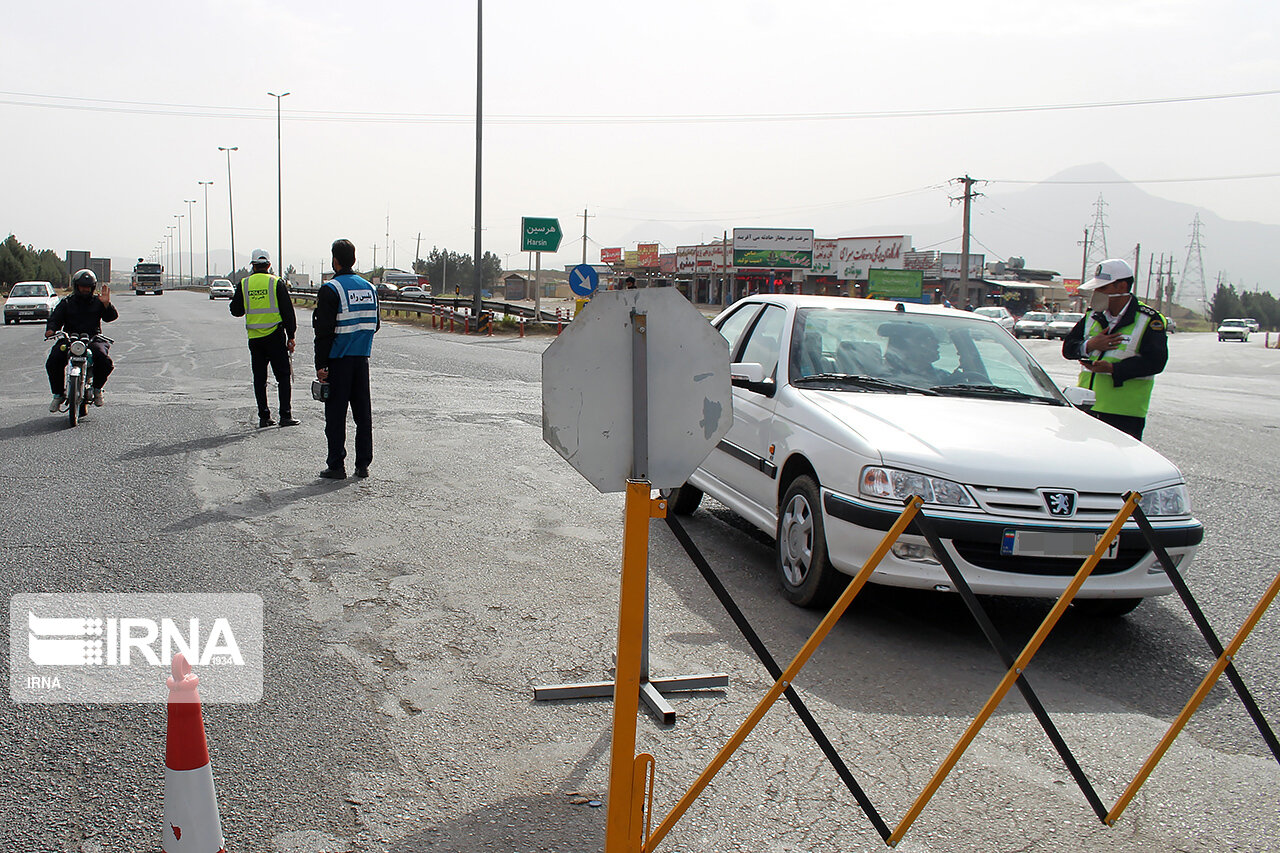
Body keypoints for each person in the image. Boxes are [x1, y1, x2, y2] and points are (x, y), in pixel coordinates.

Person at [1062, 258, 1167, 441]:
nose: (1097, 293)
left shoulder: (1149, 319)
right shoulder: (1093, 316)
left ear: (1121, 287)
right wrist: (1090, 345)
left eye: (1102, 288)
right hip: (1085, 406)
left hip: (1124, 413)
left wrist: (1113, 369)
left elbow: (1155, 362)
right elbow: (1068, 349)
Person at [314, 238, 379, 480]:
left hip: (338, 360)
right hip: (362, 359)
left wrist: (321, 365)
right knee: (363, 415)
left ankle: (336, 465)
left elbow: (324, 332)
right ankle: (362, 465)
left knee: (336, 415)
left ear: (335, 260)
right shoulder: (369, 289)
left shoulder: (331, 289)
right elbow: (376, 325)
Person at [230, 249, 298, 428]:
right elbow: (287, 312)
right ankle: (285, 415)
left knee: (260, 379)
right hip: (275, 336)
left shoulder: (244, 284)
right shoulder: (276, 282)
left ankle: (264, 417)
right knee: (283, 376)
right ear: (269, 265)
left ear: (252, 265)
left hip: (255, 339)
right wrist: (291, 336)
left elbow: (235, 310)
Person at [45, 269, 118, 410]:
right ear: (76, 286)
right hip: (70, 339)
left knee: (104, 360)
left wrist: (107, 305)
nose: (85, 289)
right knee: (53, 360)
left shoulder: (98, 302)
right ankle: (58, 394)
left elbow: (111, 317)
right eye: (82, 286)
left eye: (88, 287)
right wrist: (51, 330)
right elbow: (55, 319)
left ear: (93, 287)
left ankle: (97, 390)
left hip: (93, 338)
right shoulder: (66, 302)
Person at [879, 322, 952, 385]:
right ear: (901, 346)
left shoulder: (945, 379)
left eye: (934, 338)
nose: (936, 343)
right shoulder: (878, 378)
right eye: (927, 338)